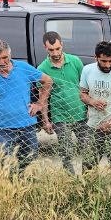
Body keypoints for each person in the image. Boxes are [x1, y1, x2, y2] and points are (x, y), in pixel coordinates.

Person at [0, 39, 52, 169]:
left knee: (30, 158)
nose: (1, 62)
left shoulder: (23, 67)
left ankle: (24, 183)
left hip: (27, 125)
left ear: (10, 54)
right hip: (2, 128)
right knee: (5, 164)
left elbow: (48, 81)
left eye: (5, 57)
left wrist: (39, 104)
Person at [37, 32, 88, 172]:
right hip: (60, 116)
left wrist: (90, 109)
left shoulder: (75, 61)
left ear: (62, 45)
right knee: (66, 153)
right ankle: (71, 181)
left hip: (81, 114)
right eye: (51, 50)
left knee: (88, 149)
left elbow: (85, 88)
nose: (55, 53)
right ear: (45, 48)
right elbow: (43, 98)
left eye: (58, 48)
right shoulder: (42, 69)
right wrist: (45, 120)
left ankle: (88, 177)